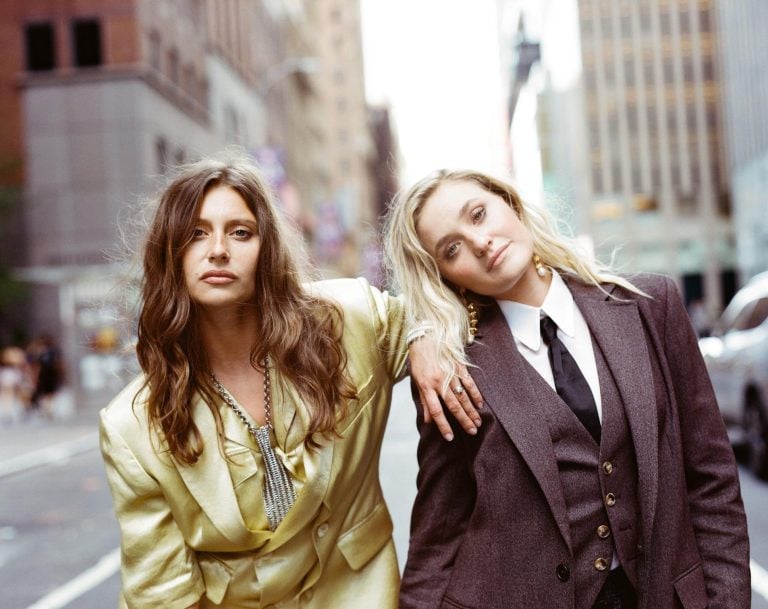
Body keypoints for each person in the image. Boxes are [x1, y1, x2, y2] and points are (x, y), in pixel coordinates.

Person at [99, 155, 481, 609]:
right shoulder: (131, 426)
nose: (218, 249)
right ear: (169, 252)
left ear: (268, 248)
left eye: (240, 232)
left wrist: (423, 333)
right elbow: (161, 596)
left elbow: (457, 303)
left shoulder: (349, 319)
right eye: (195, 233)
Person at [383, 169, 750, 609]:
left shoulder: (651, 308)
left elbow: (712, 480)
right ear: (448, 277)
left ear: (510, 203)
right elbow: (438, 537)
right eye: (452, 248)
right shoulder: (453, 371)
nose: (480, 242)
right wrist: (420, 332)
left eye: (479, 214)